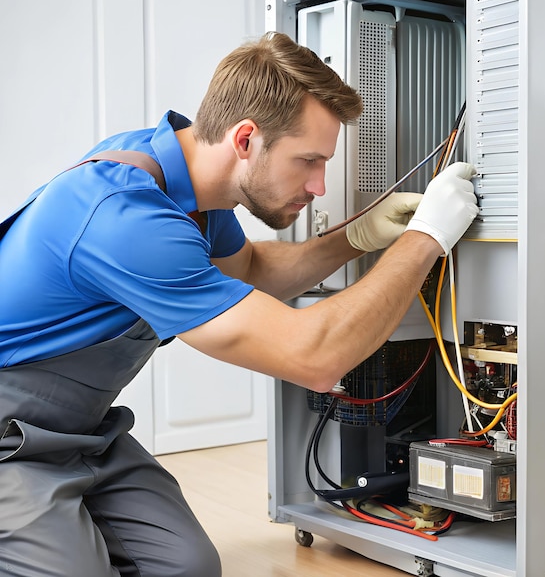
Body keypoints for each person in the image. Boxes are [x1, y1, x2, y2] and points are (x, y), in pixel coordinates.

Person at [0, 31, 477, 577]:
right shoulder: (124, 216)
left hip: (79, 433)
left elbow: (251, 269)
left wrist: (358, 236)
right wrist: (428, 238)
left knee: (187, 567)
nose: (319, 185)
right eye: (308, 161)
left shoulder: (187, 181)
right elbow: (315, 356)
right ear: (246, 138)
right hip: (8, 440)